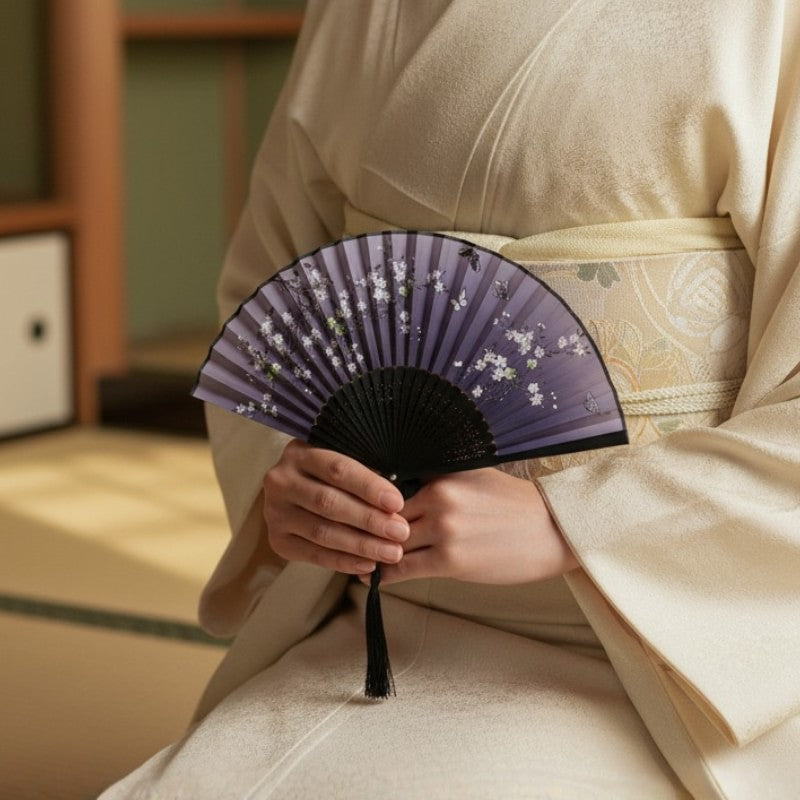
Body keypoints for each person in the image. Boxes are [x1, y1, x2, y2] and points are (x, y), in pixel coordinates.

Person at [102, 1, 800, 797]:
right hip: (374, 609)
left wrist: (576, 522)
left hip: (654, 654)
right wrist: (293, 483)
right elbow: (275, 292)